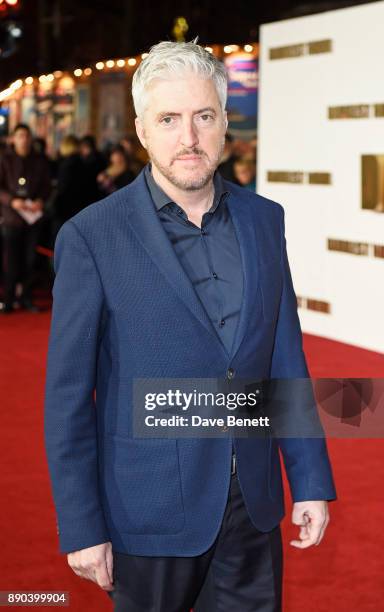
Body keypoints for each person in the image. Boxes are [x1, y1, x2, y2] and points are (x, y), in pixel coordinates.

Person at [44, 41, 337, 611]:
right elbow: (68, 397)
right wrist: (80, 523)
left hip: (251, 507)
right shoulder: (91, 236)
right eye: (169, 119)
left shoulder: (263, 220)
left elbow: (285, 360)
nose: (189, 137)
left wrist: (310, 479)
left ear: (226, 123)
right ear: (142, 131)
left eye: (204, 117)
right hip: (147, 513)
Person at [0, 123, 51, 313]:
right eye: (20, 136)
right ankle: (9, 299)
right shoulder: (5, 159)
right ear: (13, 139)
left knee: (31, 260)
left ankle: (27, 298)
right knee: (11, 261)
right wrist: (11, 201)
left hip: (32, 218)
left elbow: (47, 186)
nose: (24, 139)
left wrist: (41, 200)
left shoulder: (39, 160)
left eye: (27, 136)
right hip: (12, 217)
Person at [50, 135, 89, 241]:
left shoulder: (67, 164)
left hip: (66, 210)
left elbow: (63, 189)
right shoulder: (83, 162)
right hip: (80, 208)